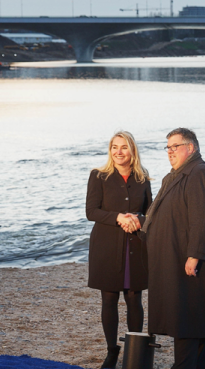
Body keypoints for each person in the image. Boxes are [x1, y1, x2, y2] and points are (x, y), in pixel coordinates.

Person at [131, 127, 205, 369]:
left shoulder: (199, 174)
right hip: (174, 260)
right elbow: (162, 214)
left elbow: (203, 219)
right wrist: (140, 222)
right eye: (167, 147)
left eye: (175, 146)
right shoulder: (176, 175)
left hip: (188, 264)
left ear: (191, 148)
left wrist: (194, 255)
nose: (170, 152)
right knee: (195, 325)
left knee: (188, 323)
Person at [85, 131, 152, 369]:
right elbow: (91, 211)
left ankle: (136, 351)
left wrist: (138, 218)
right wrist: (118, 217)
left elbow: (151, 212)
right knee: (109, 298)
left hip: (135, 245)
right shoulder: (99, 176)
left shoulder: (143, 178)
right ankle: (112, 351)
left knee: (135, 298)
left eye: (124, 147)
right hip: (106, 245)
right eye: (114, 147)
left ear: (132, 151)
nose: (118, 152)